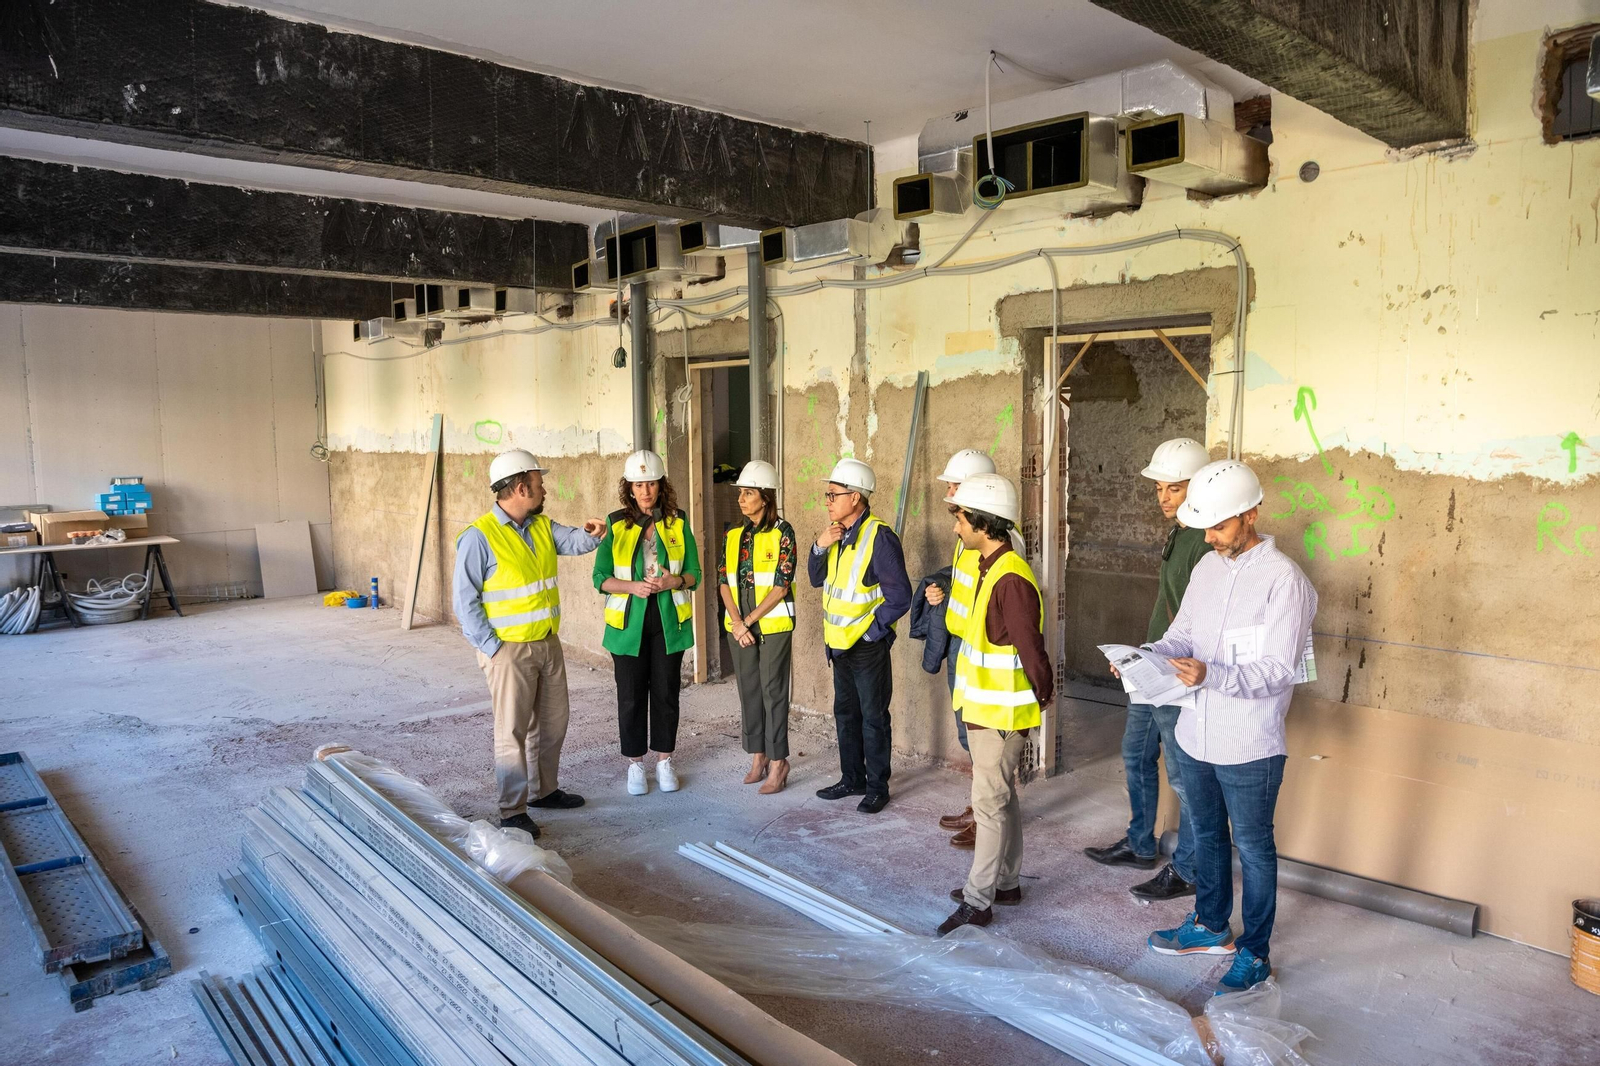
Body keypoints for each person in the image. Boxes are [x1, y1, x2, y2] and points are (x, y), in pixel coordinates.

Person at [1138, 459, 1317, 995]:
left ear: (1252, 513)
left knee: (1256, 849)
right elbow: (1182, 632)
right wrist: (1146, 655)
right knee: (1208, 834)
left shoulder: (1285, 581)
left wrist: (1211, 674)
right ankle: (1210, 926)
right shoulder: (1208, 568)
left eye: (1220, 527)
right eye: (1207, 528)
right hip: (1197, 731)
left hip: (1249, 740)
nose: (1211, 538)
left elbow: (1279, 670)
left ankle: (1255, 953)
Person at [452, 449, 605, 839]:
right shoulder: (479, 537)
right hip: (509, 651)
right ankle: (512, 809)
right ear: (521, 488)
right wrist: (492, 648)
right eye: (539, 484)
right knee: (512, 731)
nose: (544, 489)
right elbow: (464, 602)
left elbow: (574, 542)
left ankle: (544, 790)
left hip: (547, 644)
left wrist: (592, 534)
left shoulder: (540, 525)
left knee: (553, 724)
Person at [1085, 437, 1212, 901]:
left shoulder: (1205, 540)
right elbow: (1170, 606)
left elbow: (1200, 620)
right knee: (1136, 753)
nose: (1163, 497)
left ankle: (1188, 871)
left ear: (1197, 488)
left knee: (1184, 777)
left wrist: (1163, 660)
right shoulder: (1179, 531)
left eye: (1173, 489)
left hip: (1176, 674)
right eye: (1159, 488)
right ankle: (1141, 843)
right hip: (1154, 660)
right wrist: (1141, 654)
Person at [936, 473, 1053, 936]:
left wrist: (1041, 697)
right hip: (988, 708)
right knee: (1001, 800)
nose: (956, 526)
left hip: (1001, 712)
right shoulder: (991, 566)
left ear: (983, 522)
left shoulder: (1010, 578)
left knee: (988, 804)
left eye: (961, 517)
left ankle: (978, 900)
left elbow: (1031, 647)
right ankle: (1006, 884)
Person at [808, 458, 912, 814]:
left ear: (855, 497)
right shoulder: (836, 533)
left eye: (833, 494)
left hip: (866, 647)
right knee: (846, 714)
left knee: (873, 717)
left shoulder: (879, 537)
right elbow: (815, 577)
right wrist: (819, 545)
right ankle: (851, 779)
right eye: (827, 494)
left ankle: (876, 786)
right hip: (838, 645)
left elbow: (901, 596)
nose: (827, 500)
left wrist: (872, 633)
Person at [594, 450, 701, 796]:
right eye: (638, 485)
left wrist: (676, 581)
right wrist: (631, 587)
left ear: (660, 485)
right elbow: (600, 577)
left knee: (667, 693)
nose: (645, 491)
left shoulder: (678, 522)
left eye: (651, 483)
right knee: (630, 695)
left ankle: (665, 761)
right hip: (628, 623)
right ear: (629, 488)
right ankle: (636, 765)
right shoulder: (614, 524)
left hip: (668, 620)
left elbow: (695, 574)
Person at [922, 449, 997, 848]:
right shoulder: (964, 533)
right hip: (962, 648)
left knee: (985, 742)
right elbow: (967, 585)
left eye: (954, 485)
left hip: (981, 654)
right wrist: (942, 589)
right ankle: (978, 807)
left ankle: (988, 818)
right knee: (970, 736)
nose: (948, 491)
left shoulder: (999, 540)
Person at [718, 460, 798, 794]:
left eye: (748, 493)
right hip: (738, 624)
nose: (741, 498)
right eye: (740, 492)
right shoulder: (733, 534)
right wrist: (738, 623)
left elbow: (781, 585)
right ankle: (758, 755)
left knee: (773, 691)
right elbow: (723, 581)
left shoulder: (784, 532)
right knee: (749, 690)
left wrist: (749, 621)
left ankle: (779, 762)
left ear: (765, 497)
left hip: (773, 623)